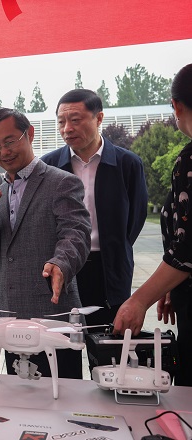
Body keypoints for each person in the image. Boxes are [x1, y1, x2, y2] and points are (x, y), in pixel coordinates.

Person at [0, 108, 91, 379]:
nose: (4, 152)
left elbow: (76, 233)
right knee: (17, 395)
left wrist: (61, 262)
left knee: (60, 393)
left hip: (51, 316)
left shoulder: (61, 182)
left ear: (29, 134)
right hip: (10, 317)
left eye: (10, 141)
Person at [41, 89, 148, 328]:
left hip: (109, 268)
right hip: (64, 265)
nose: (67, 129)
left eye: (75, 120)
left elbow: (136, 218)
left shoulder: (127, 164)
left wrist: (114, 246)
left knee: (106, 340)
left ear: (99, 118)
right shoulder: (48, 166)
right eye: (61, 122)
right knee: (62, 340)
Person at [113, 63, 192, 386]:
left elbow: (187, 248)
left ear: (176, 106)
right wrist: (171, 284)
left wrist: (138, 300)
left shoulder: (189, 160)